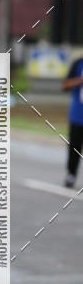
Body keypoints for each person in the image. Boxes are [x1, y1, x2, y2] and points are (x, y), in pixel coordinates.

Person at [61, 54, 83, 188]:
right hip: (78, 115)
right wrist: (80, 80)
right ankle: (71, 174)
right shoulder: (78, 63)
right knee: (74, 148)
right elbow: (65, 85)